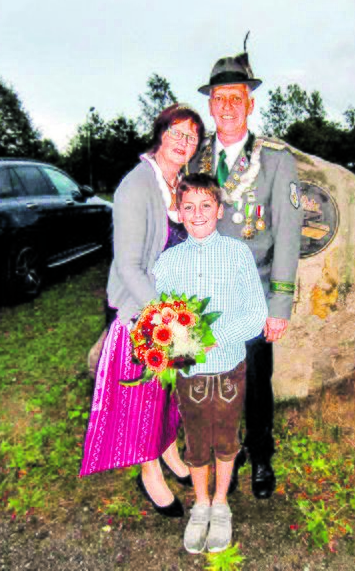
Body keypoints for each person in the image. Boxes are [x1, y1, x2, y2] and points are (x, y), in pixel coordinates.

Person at [79, 104, 205, 518]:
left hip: (174, 311)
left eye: (192, 137)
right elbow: (129, 265)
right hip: (143, 311)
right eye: (177, 132)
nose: (184, 141)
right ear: (161, 133)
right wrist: (164, 319)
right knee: (142, 399)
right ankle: (148, 471)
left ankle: (167, 451)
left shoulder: (180, 184)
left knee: (165, 394)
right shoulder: (136, 186)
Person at [190, 51, 303, 499]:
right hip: (204, 298)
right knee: (212, 382)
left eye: (237, 98)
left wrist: (280, 305)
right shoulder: (196, 160)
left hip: (254, 294)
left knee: (256, 383)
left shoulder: (275, 160)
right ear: (211, 106)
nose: (228, 107)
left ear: (250, 104)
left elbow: (290, 236)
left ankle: (260, 454)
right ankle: (225, 454)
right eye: (220, 98)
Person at [152, 173, 267, 553]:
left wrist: (213, 337)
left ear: (219, 210)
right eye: (189, 207)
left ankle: (221, 504)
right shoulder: (167, 263)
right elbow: (158, 320)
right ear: (179, 214)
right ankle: (200, 503)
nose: (197, 213)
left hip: (229, 367)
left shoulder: (237, 255)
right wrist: (167, 342)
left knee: (227, 438)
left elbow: (255, 315)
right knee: (197, 441)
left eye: (206, 206)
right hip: (189, 373)